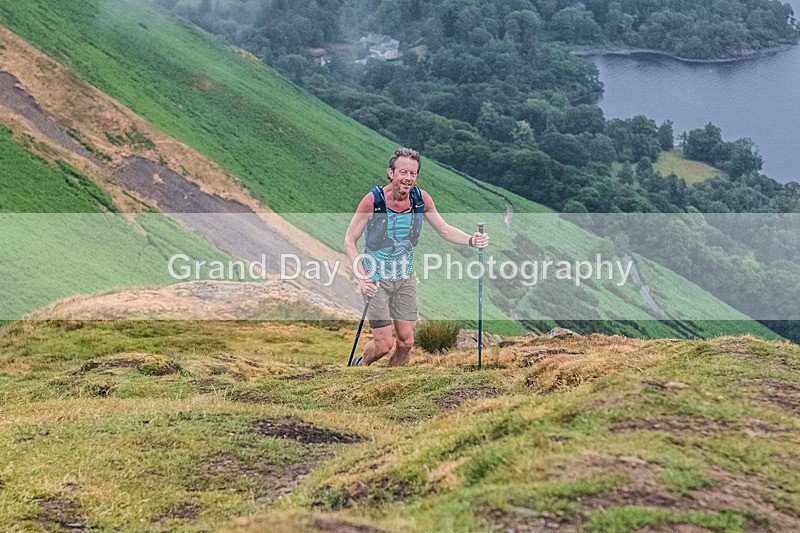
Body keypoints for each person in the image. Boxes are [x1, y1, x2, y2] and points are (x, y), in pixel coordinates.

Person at [344, 147, 489, 367]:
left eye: (413, 174)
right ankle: (361, 365)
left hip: (405, 278)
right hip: (375, 279)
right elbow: (349, 239)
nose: (408, 178)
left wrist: (472, 240)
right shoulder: (373, 201)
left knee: (406, 343)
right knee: (383, 345)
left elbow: (444, 230)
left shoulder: (421, 200)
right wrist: (362, 278)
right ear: (391, 173)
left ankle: (390, 387)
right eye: (403, 172)